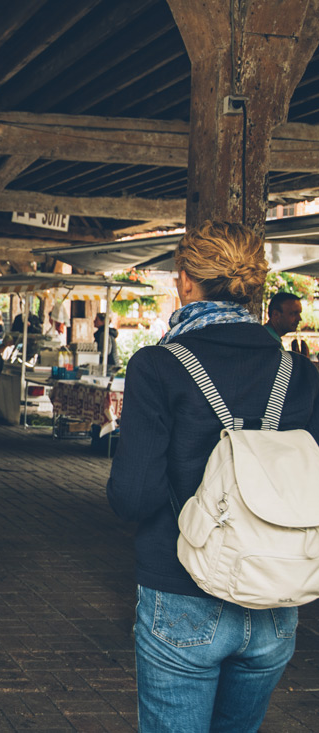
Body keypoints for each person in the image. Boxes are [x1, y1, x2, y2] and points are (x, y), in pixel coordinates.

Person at [106, 221, 319, 732]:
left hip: (180, 592)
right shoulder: (301, 373)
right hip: (277, 596)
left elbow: (132, 498)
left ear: (184, 280)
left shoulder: (159, 366)